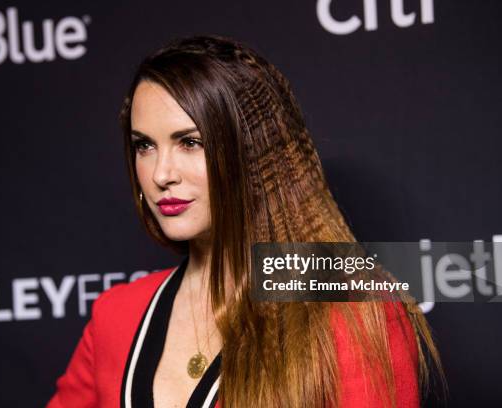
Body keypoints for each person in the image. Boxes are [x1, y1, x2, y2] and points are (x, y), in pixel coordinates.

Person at [47, 34, 444, 408]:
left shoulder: (350, 306)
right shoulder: (116, 315)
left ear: (255, 153)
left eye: (190, 142)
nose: (160, 174)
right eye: (144, 146)